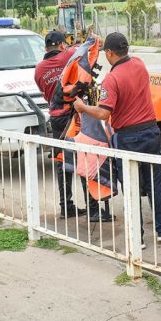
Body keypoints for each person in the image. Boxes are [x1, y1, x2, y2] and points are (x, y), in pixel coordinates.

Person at [73, 32, 161, 248]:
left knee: (132, 188)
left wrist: (83, 108)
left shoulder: (112, 79)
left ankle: (138, 239)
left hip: (128, 138)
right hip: (151, 132)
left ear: (109, 53)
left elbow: (104, 114)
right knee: (155, 184)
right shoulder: (140, 64)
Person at [35, 31, 95, 219]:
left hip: (55, 117)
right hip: (74, 115)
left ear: (46, 48)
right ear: (62, 45)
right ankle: (93, 208)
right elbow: (85, 50)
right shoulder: (69, 56)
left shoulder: (38, 69)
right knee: (85, 157)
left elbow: (46, 94)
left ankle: (66, 206)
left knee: (62, 161)